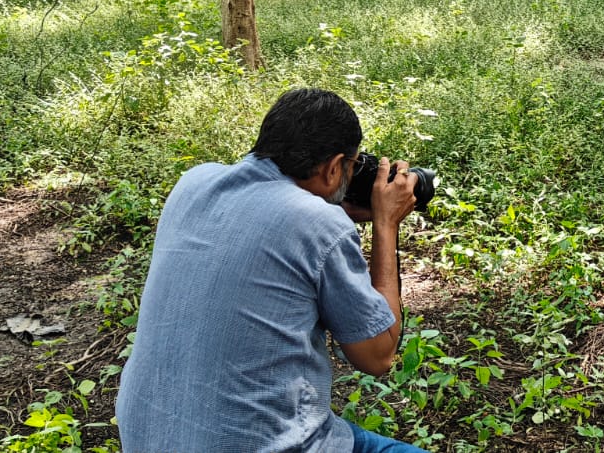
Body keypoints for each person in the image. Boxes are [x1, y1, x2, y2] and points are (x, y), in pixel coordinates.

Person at [117, 88, 427, 452]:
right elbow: (377, 355)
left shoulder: (194, 181)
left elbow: (264, 220)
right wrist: (386, 224)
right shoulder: (318, 223)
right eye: (352, 166)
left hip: (146, 436)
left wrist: (332, 208)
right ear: (333, 167)